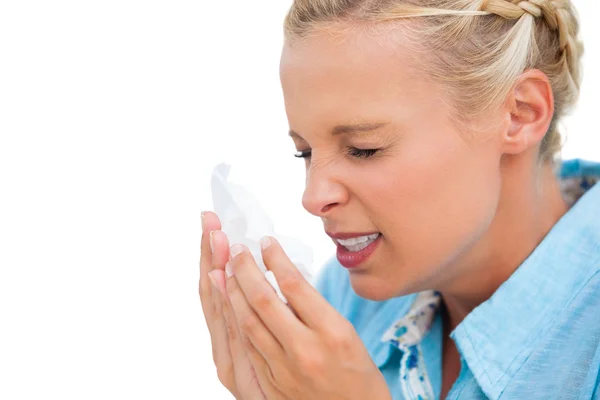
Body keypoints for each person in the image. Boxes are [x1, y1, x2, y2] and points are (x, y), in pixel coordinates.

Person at [200, 0, 600, 398]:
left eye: (363, 148)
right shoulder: (344, 301)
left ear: (520, 113)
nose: (313, 196)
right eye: (305, 152)